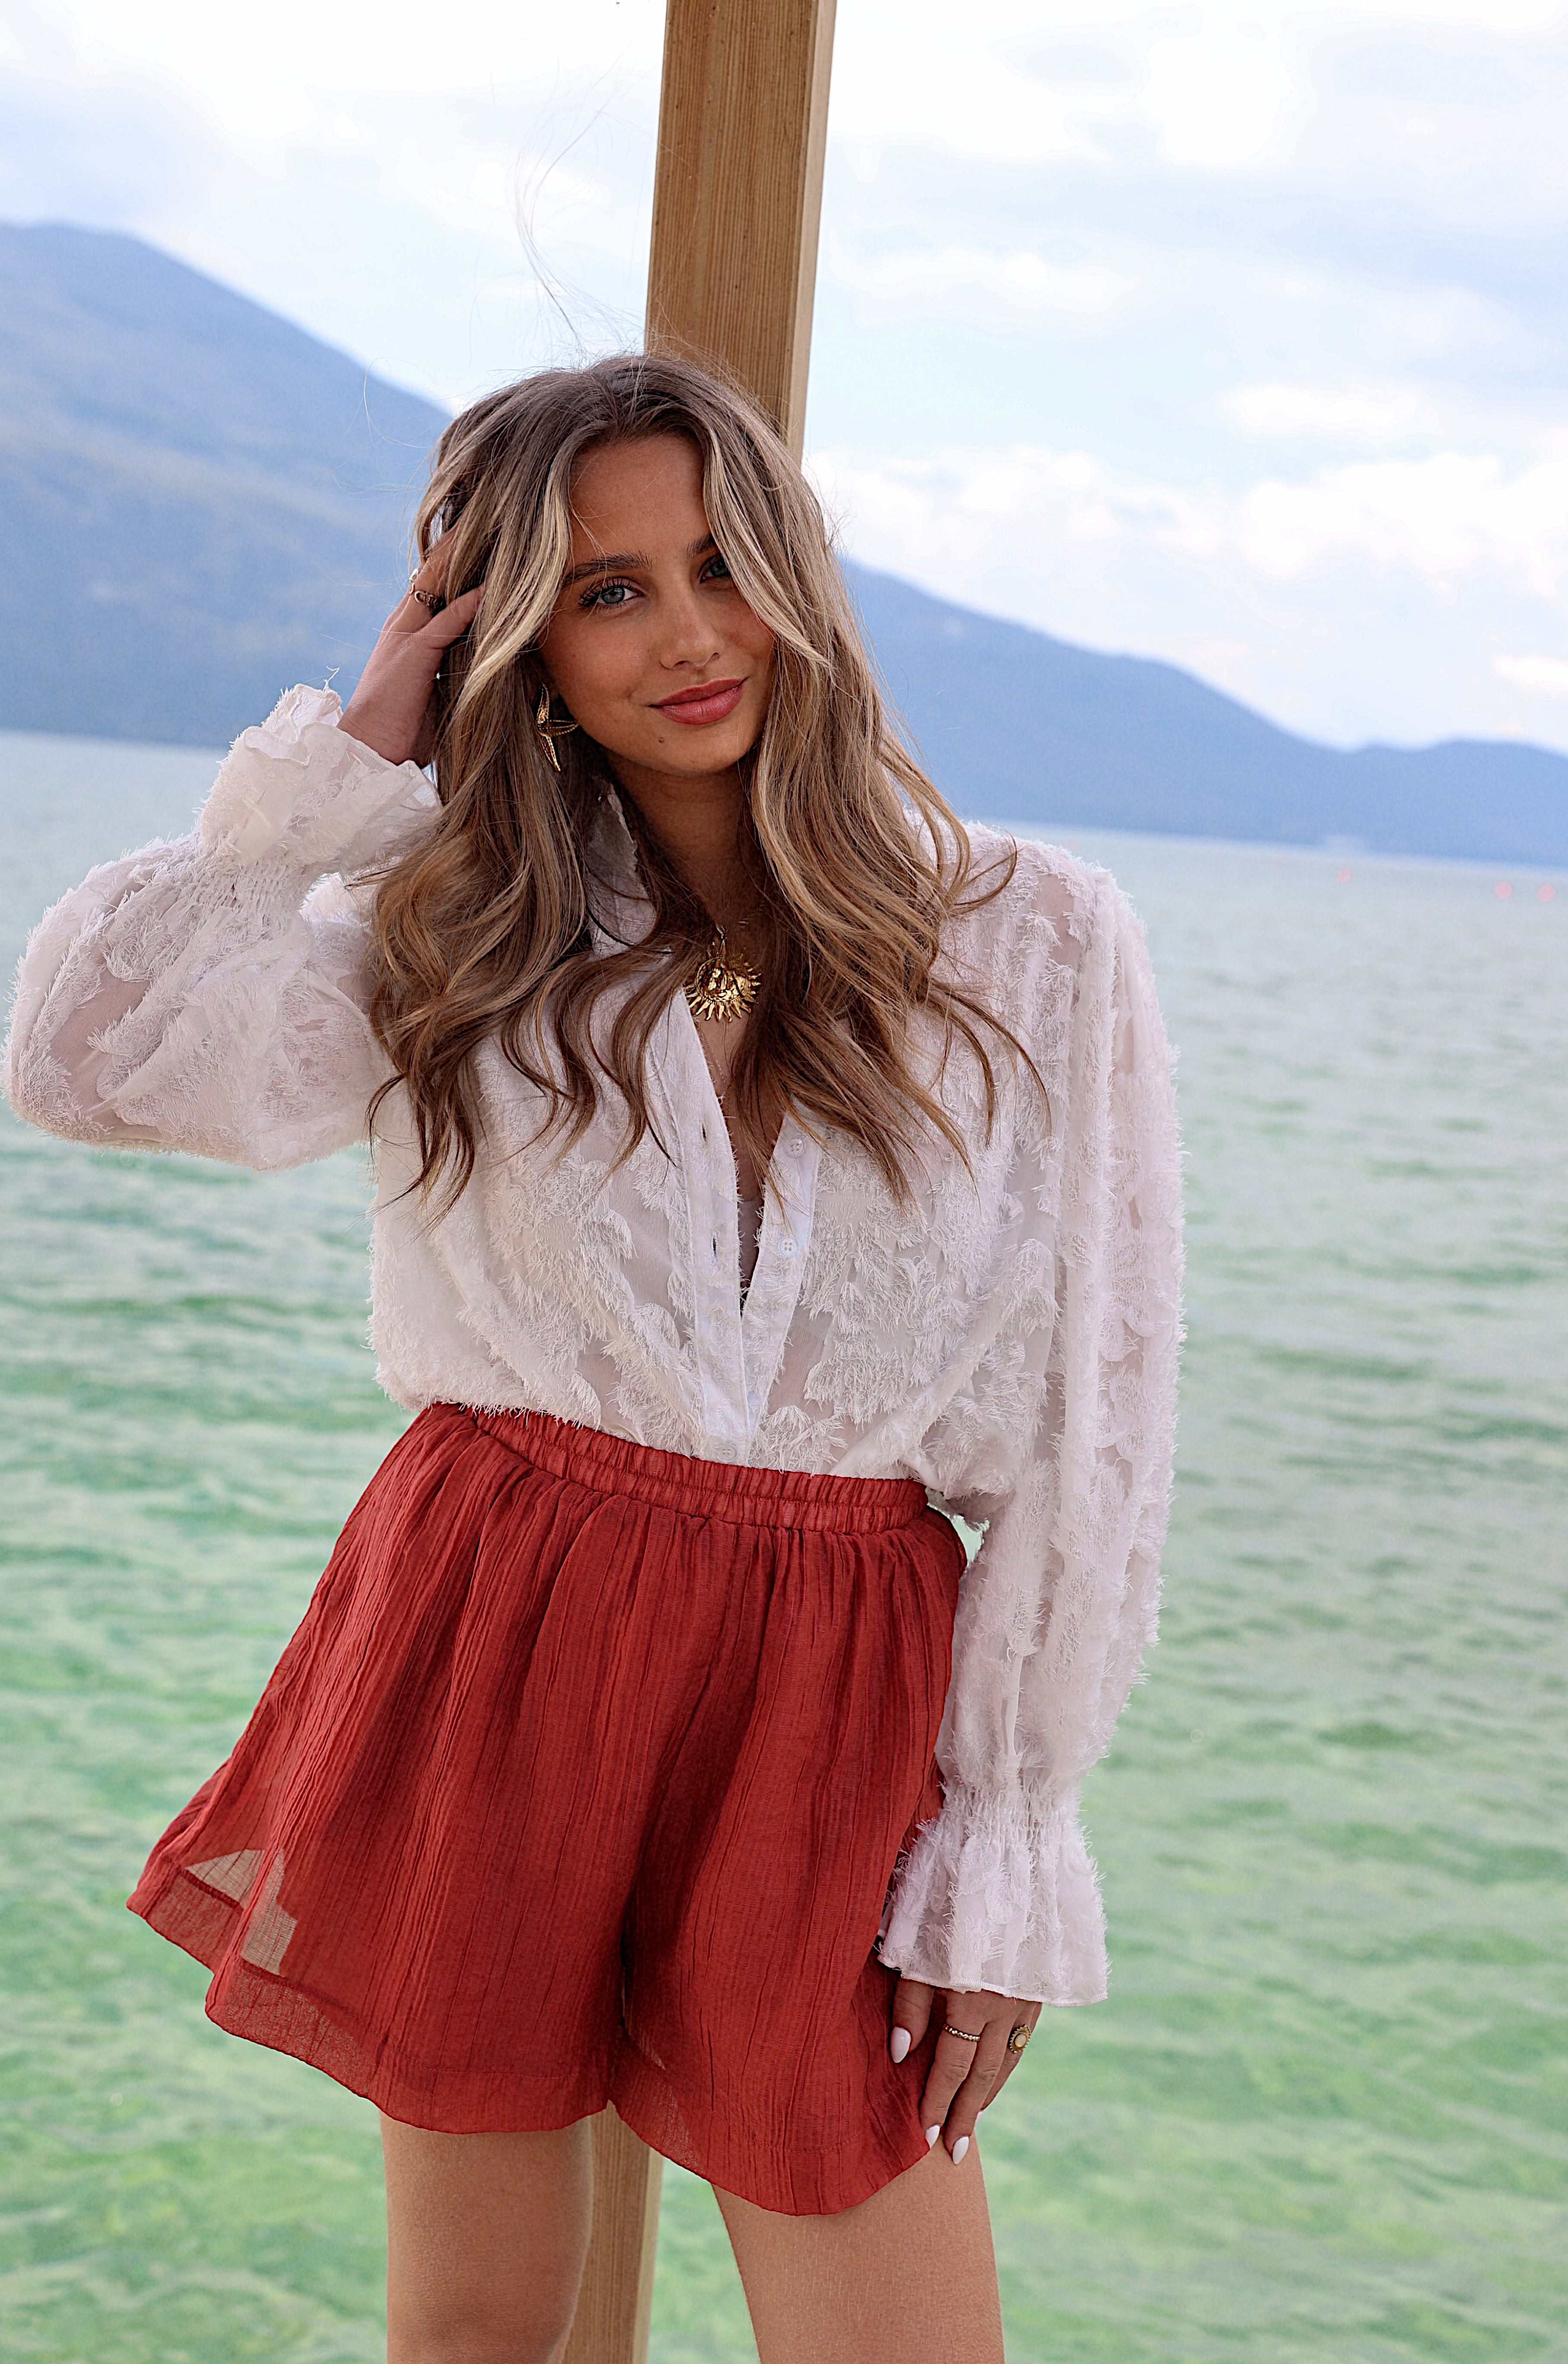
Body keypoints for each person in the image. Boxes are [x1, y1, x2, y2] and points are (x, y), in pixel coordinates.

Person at [4, 353, 1182, 2364]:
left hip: (837, 1673)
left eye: (723, 565)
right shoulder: (452, 927)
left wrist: (1009, 1832)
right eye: (606, 590)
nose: (691, 636)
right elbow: (86, 1062)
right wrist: (334, 775)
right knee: (478, 2335)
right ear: (518, 641)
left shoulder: (1034, 939)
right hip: (503, 1610)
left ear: (800, 577)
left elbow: (1101, 1423)